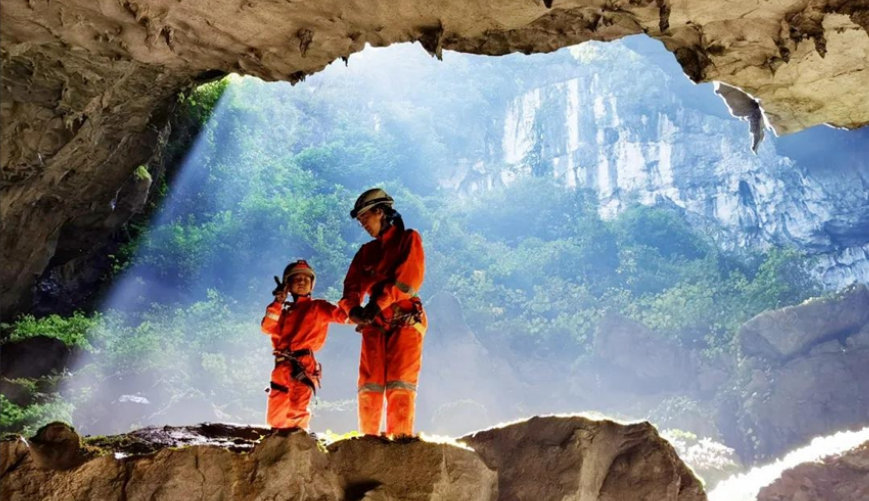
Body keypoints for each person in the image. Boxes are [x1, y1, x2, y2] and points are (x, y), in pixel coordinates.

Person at [340, 188, 427, 437]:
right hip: (375, 322)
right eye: (360, 221)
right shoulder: (367, 252)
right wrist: (355, 311)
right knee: (370, 385)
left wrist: (375, 305)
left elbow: (407, 282)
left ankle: (400, 442)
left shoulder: (408, 239)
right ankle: (368, 440)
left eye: (365, 218)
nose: (363, 224)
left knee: (400, 383)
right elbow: (351, 289)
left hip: (405, 319)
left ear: (380, 211)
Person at [260, 259, 348, 430]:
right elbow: (267, 328)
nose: (302, 282)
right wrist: (277, 302)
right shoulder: (282, 311)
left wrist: (363, 316)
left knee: (297, 410)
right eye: (297, 279)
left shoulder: (318, 307)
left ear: (311, 286)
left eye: (306, 279)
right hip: (281, 366)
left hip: (303, 365)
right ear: (287, 285)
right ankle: (275, 444)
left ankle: (298, 445)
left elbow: (341, 316)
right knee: (276, 412)